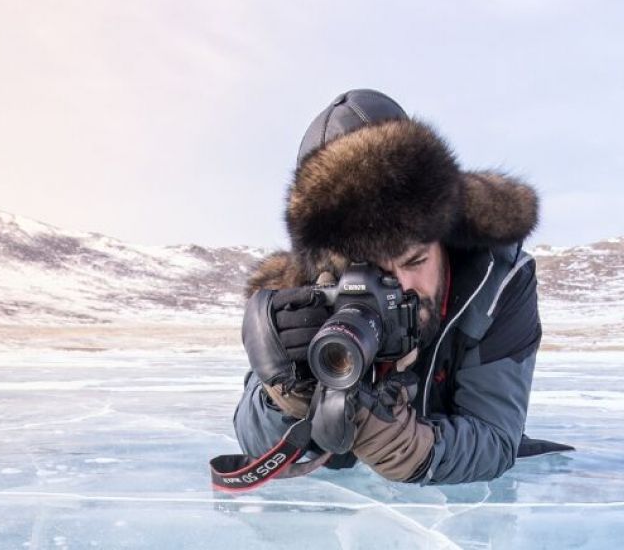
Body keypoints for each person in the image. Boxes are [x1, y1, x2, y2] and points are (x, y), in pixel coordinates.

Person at [233, 89, 564, 485]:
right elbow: (254, 437)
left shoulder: (496, 280)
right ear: (328, 266)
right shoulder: (300, 296)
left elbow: (494, 436)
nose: (403, 284)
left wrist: (411, 452)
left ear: (444, 236)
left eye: (415, 260)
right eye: (370, 270)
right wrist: (284, 394)